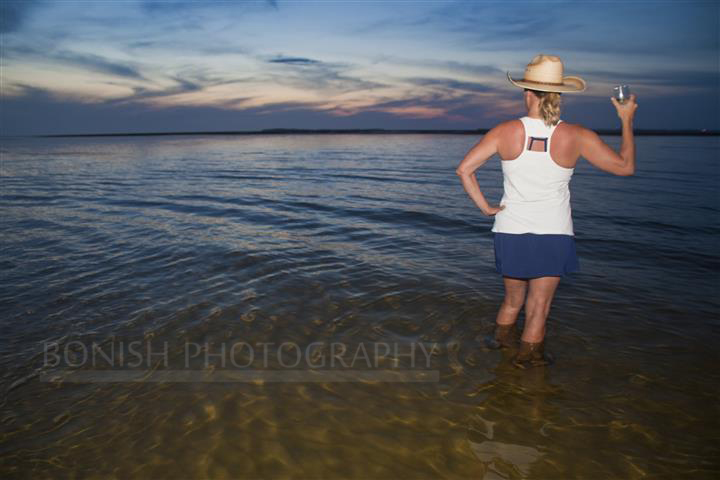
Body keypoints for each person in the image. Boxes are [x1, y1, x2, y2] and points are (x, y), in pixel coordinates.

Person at [456, 54, 638, 368]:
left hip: (510, 230)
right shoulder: (577, 135)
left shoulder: (505, 131)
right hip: (554, 233)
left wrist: (486, 207)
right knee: (539, 308)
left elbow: (464, 170)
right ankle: (528, 366)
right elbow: (625, 168)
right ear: (559, 96)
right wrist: (625, 120)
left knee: (512, 302)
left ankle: (498, 349)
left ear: (527, 93)